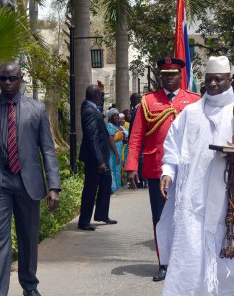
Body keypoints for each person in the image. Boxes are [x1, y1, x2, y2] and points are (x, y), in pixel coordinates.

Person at [157, 55, 234, 296]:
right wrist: (167, 172)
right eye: (209, 80)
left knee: (227, 251)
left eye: (219, 80)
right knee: (191, 252)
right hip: (194, 199)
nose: (213, 85)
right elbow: (172, 146)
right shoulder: (190, 113)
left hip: (230, 199)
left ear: (230, 80)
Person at [0, 61, 60, 296]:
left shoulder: (36, 110)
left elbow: (47, 149)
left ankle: (29, 286)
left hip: (28, 184)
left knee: (28, 238)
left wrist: (54, 186)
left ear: (20, 79)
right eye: (2, 79)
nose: (7, 83)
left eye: (12, 79)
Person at [125, 57, 201, 281]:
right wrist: (131, 166)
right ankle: (164, 263)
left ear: (180, 76)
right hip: (157, 169)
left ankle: (186, 262)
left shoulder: (194, 101)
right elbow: (136, 136)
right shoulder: (149, 102)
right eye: (165, 74)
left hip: (188, 170)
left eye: (173, 74)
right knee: (160, 218)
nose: (169, 77)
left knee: (187, 216)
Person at [78, 85, 117, 231]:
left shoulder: (92, 107)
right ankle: (84, 221)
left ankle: (102, 214)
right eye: (100, 95)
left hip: (100, 156)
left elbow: (97, 133)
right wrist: (100, 161)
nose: (101, 97)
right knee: (90, 188)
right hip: (95, 158)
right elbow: (91, 137)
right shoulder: (88, 110)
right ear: (96, 96)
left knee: (106, 183)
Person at [106, 108, 128, 192]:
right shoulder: (109, 126)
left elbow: (125, 138)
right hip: (113, 153)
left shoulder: (118, 127)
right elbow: (111, 140)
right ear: (110, 117)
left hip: (119, 152)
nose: (117, 118)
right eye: (114, 116)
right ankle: (113, 190)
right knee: (112, 171)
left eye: (117, 116)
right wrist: (117, 154)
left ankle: (118, 190)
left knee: (117, 172)